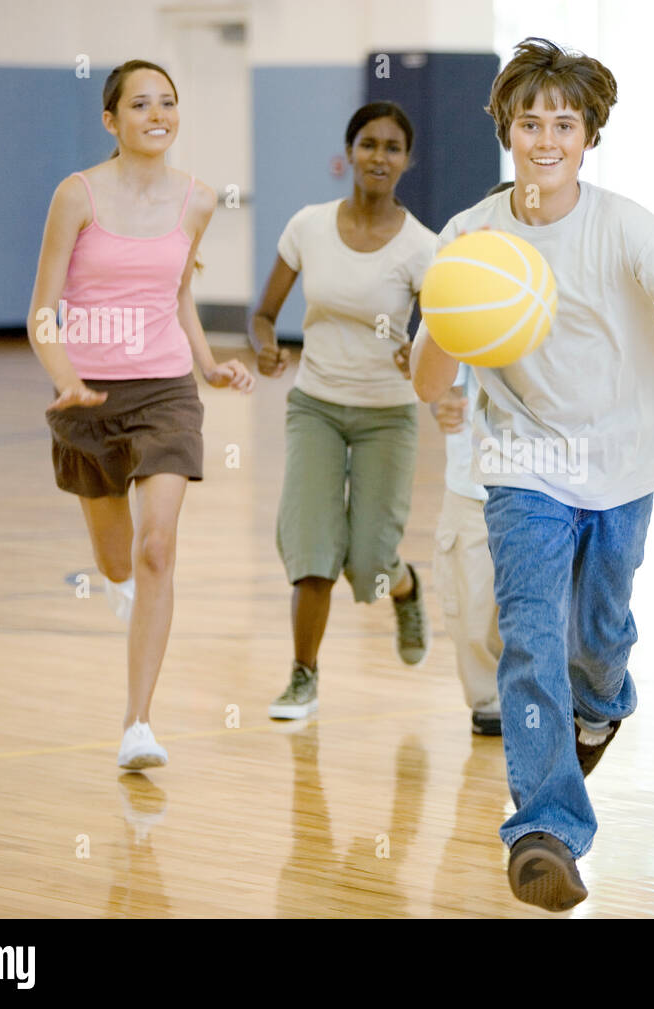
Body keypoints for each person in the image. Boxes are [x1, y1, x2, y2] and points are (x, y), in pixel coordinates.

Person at [412, 38, 654, 911]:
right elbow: (429, 363)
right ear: (506, 130)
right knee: (530, 639)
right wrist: (449, 370)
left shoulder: (624, 225)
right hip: (522, 468)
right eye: (530, 122)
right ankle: (546, 830)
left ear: (589, 136)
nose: (545, 138)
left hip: (623, 465)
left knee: (595, 638)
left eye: (564, 122)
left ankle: (603, 703)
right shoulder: (471, 238)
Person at [26, 59, 254, 769]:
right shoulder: (77, 196)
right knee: (117, 557)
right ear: (111, 120)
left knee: (159, 548)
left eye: (168, 103)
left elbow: (180, 293)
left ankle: (138, 725)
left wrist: (208, 363)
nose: (157, 115)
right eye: (140, 104)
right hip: (88, 394)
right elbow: (41, 312)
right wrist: (66, 378)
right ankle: (123, 588)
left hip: (165, 392)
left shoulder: (198, 201)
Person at [253, 102, 436, 720]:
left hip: (388, 414)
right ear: (349, 153)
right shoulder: (308, 226)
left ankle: (405, 586)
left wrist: (419, 352)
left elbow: (439, 338)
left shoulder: (422, 247)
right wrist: (264, 348)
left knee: (368, 565)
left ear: (407, 161)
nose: (378, 156)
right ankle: (303, 676)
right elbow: (260, 316)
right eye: (368, 144)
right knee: (312, 551)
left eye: (391, 147)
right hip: (316, 407)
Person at [428, 180, 513, 738]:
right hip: (471, 486)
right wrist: (443, 402)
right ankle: (488, 702)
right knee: (471, 606)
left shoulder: (550, 300)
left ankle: (545, 699)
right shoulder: (462, 299)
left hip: (544, 482)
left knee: (538, 608)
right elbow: (437, 377)